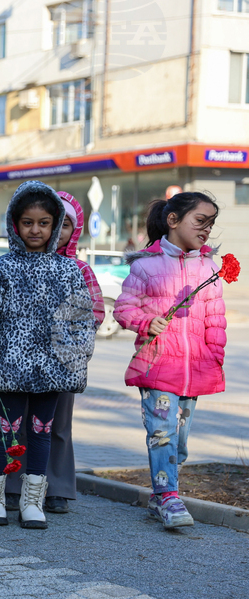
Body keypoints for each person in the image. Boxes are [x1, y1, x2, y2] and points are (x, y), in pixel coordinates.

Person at [0, 180, 95, 530]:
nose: (36, 230)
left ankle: (33, 499)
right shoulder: (2, 267)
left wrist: (76, 359)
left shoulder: (69, 270)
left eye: (44, 223)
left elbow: (81, 319)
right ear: (15, 224)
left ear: (56, 225)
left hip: (53, 370)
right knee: (7, 430)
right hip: (10, 368)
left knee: (41, 431)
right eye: (28, 222)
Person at [113, 192, 227, 530]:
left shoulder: (208, 269)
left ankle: (161, 493)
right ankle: (168, 496)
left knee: (179, 440)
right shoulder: (146, 266)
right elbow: (123, 308)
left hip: (194, 371)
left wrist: (214, 359)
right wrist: (147, 322)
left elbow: (215, 319)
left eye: (211, 224)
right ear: (173, 220)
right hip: (157, 365)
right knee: (161, 433)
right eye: (200, 221)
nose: (206, 230)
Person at [5, 191, 104, 513]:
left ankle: (57, 486)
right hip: (20, 359)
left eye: (63, 225)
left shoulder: (78, 269)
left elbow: (94, 312)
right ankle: (13, 483)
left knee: (56, 426)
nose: (53, 232)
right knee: (15, 422)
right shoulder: (14, 264)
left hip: (62, 362)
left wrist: (68, 340)